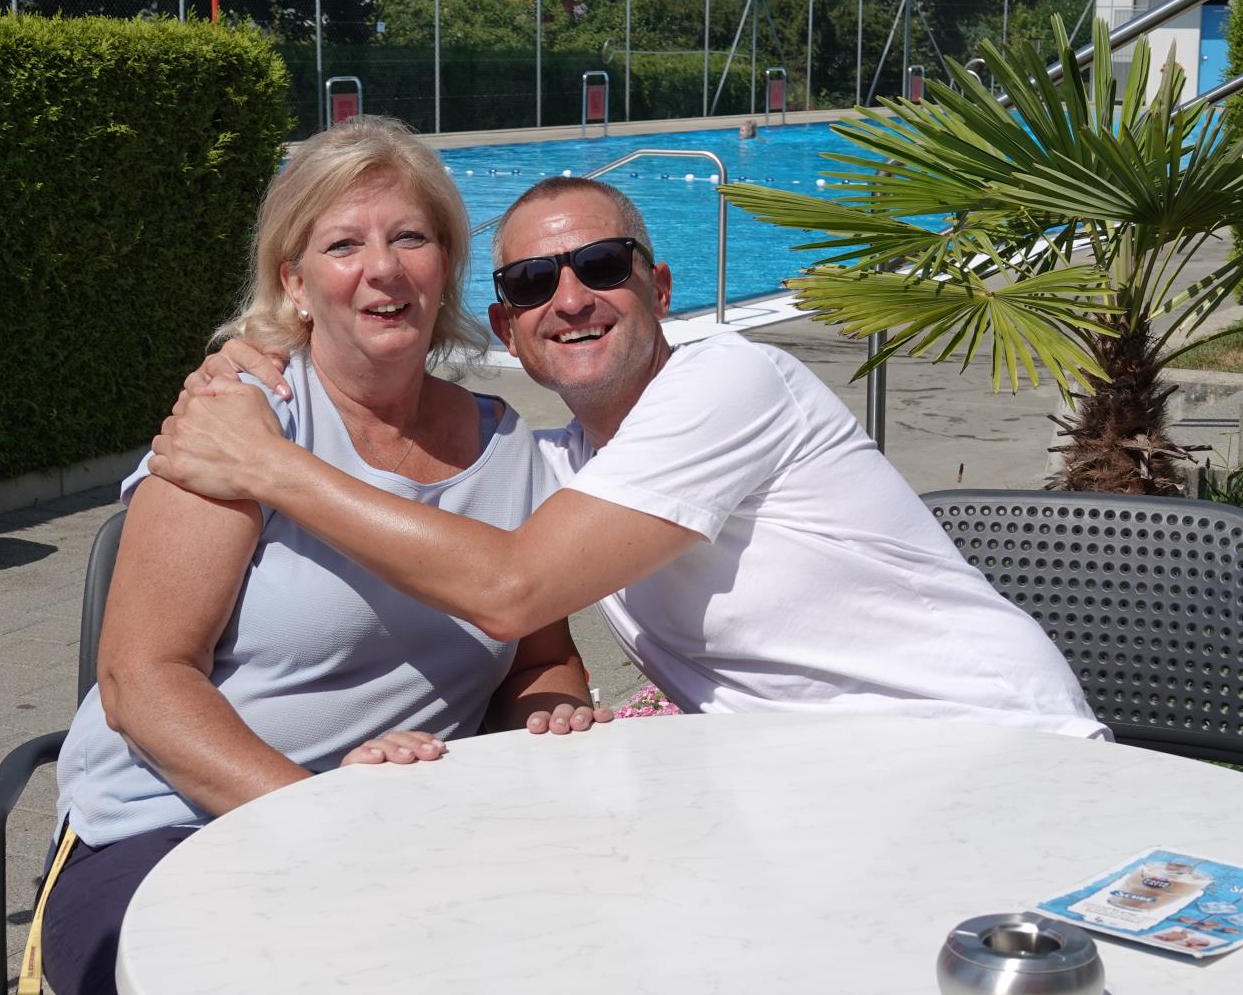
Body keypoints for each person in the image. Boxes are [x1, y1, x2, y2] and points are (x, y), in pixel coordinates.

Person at [46, 120, 608, 995]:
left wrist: (551, 713)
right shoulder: (242, 418)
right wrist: (317, 820)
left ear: (444, 270)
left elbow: (542, 653)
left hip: (398, 834)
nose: (380, 270)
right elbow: (141, 679)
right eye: (343, 244)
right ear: (293, 283)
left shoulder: (510, 452)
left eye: (410, 238)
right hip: (167, 833)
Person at [147, 175, 1108, 740]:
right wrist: (260, 356)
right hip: (812, 781)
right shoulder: (554, 464)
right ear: (506, 329)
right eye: (531, 282)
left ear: (659, 286)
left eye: (601, 266)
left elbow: (511, 591)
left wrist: (269, 465)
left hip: (982, 738)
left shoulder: (730, 383)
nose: (570, 297)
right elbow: (539, 646)